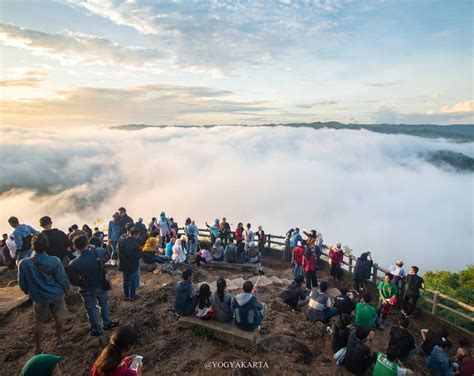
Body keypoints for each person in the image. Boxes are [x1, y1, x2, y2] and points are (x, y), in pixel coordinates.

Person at [18, 234, 69, 354]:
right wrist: (65, 289)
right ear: (47, 246)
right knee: (59, 315)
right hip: (56, 294)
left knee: (39, 322)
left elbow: (22, 283)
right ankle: (59, 339)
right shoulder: (54, 260)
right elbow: (62, 279)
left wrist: (29, 292)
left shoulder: (24, 263)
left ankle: (38, 348)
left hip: (39, 297)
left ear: (32, 246)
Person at [68, 234, 118, 336]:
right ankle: (107, 323)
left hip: (86, 288)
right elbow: (108, 253)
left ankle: (96, 329)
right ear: (88, 243)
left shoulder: (73, 263)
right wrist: (94, 247)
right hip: (100, 284)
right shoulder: (98, 252)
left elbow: (73, 281)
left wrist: (82, 283)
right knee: (103, 304)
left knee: (91, 309)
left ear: (75, 247)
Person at [118, 227, 141, 301]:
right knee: (133, 281)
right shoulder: (135, 245)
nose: (138, 237)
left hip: (124, 265)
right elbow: (137, 257)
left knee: (126, 281)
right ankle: (132, 296)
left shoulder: (122, 240)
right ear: (135, 235)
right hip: (132, 266)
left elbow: (118, 251)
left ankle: (126, 296)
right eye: (138, 235)